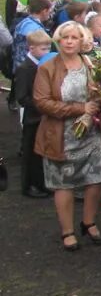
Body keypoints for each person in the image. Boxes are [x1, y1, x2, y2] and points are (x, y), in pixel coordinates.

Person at [35, 21, 101, 252]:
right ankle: (67, 230)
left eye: (74, 37)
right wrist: (80, 109)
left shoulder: (90, 64)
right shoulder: (48, 68)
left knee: (97, 178)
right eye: (65, 37)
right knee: (64, 184)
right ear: (58, 40)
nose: (69, 41)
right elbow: (41, 102)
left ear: (82, 41)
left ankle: (89, 222)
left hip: (92, 133)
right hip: (61, 136)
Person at [14, 28, 51, 198]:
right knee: (30, 153)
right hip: (32, 117)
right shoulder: (25, 68)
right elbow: (22, 97)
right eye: (43, 49)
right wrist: (42, 105)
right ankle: (29, 185)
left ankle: (40, 183)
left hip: (42, 116)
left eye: (48, 48)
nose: (47, 52)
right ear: (31, 48)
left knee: (40, 153)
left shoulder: (42, 65)